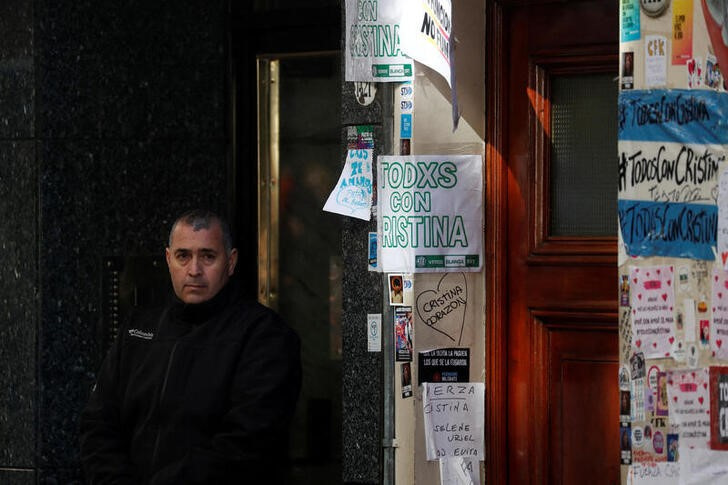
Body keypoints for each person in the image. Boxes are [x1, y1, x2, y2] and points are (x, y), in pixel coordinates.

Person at [80, 209, 301, 484]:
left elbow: (248, 441)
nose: (194, 270)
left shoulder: (264, 336)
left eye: (208, 256)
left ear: (230, 262)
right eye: (183, 256)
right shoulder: (139, 329)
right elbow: (98, 424)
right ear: (168, 259)